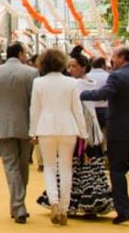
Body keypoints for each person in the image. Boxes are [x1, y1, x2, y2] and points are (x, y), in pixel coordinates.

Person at [80, 47, 129, 228]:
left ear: (122, 58)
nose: (111, 61)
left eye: (114, 57)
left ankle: (123, 212)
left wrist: (81, 93)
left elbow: (102, 94)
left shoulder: (116, 77)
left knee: (117, 172)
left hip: (119, 132)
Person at [39, 53, 113, 218]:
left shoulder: (78, 85)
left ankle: (69, 203)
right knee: (73, 167)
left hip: (81, 130)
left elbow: (82, 111)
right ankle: (73, 203)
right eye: (69, 66)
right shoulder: (76, 84)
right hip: (81, 130)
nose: (70, 69)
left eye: (74, 66)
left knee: (71, 167)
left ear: (83, 67)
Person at [27, 49, 88, 226]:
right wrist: (83, 133)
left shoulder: (38, 83)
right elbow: (77, 110)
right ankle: (64, 207)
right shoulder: (71, 83)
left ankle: (53, 201)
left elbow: (34, 109)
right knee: (66, 168)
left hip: (45, 128)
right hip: (68, 128)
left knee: (49, 168)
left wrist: (32, 132)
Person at [0, 42, 38, 223]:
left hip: (2, 126)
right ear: (21, 54)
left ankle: (17, 205)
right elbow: (34, 103)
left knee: (11, 167)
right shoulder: (31, 73)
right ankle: (18, 206)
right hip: (26, 125)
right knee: (23, 167)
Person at [87, 56, 111, 131]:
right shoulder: (108, 76)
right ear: (103, 65)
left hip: (90, 108)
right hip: (105, 108)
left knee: (94, 134)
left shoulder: (87, 76)